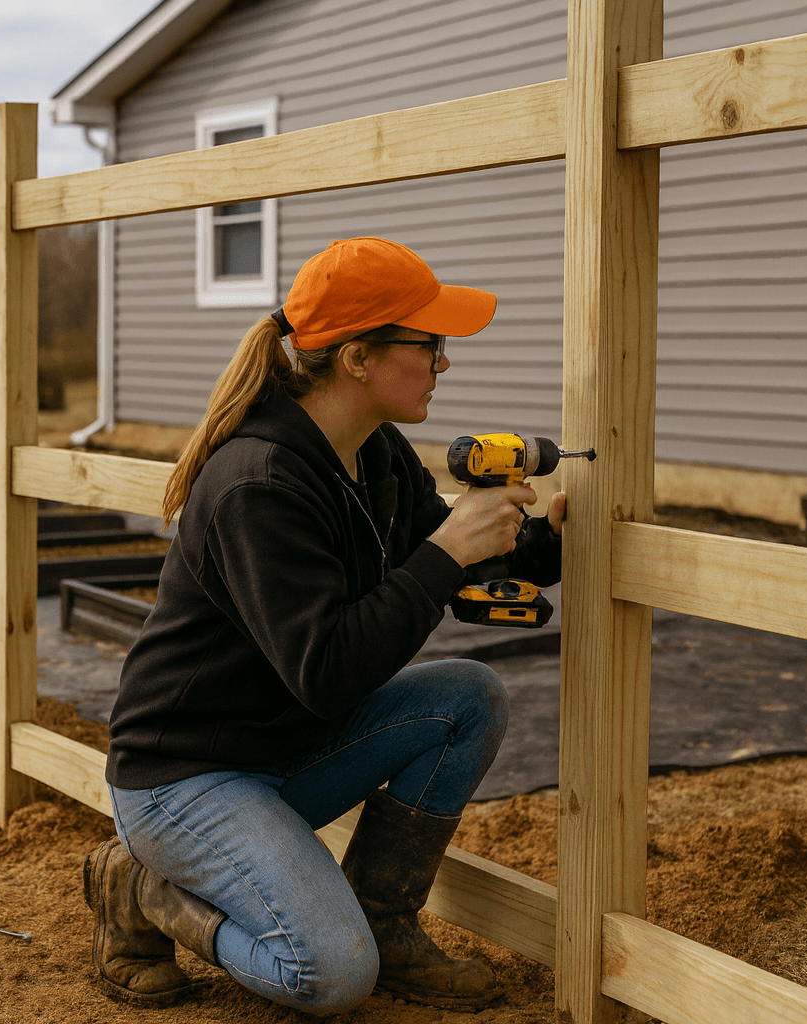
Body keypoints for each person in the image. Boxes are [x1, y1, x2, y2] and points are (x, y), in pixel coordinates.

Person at [82, 237, 567, 1015]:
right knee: (332, 975)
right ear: (358, 358)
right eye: (429, 344)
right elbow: (331, 669)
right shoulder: (258, 484)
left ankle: (386, 919)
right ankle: (145, 891)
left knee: (468, 697)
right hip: (186, 779)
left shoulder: (374, 453)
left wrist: (540, 542)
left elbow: (444, 560)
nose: (445, 363)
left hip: (288, 748)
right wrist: (446, 550)